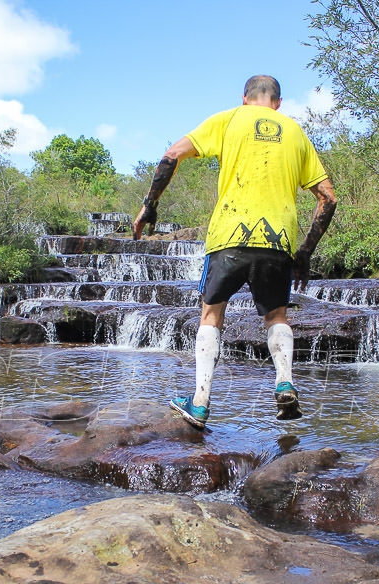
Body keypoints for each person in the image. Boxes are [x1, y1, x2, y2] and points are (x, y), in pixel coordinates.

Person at [132, 75, 337, 429]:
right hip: (278, 242)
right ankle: (284, 383)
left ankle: (199, 403)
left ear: (245, 98)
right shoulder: (295, 132)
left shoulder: (228, 119)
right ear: (278, 102)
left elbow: (171, 156)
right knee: (277, 317)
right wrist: (305, 252)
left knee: (211, 316)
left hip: (229, 236)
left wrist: (150, 206)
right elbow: (328, 199)